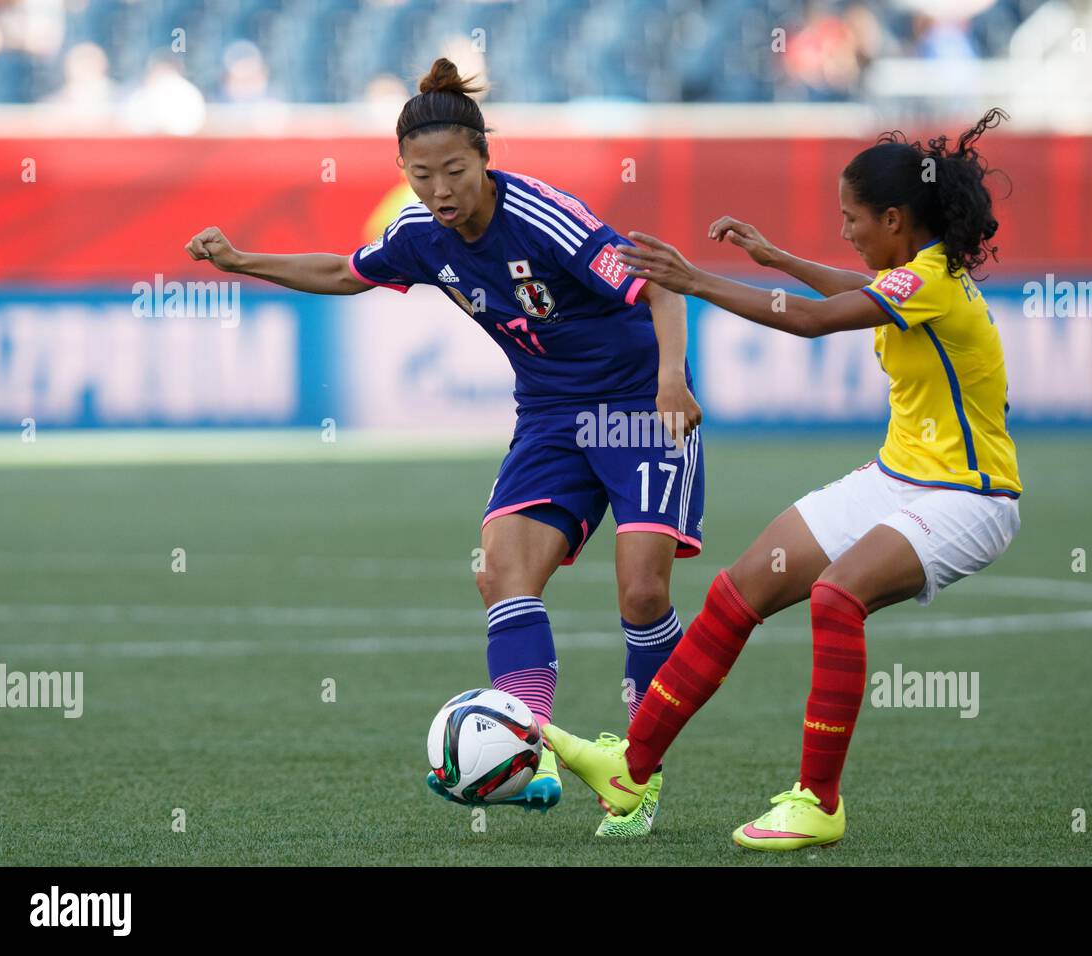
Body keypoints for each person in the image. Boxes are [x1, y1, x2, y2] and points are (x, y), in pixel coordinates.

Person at [184, 59, 704, 838]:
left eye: (454, 171)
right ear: (403, 173)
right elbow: (342, 269)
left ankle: (638, 771)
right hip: (550, 417)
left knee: (641, 594)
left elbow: (661, 282)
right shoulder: (420, 236)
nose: (440, 190)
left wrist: (670, 382)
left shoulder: (544, 216)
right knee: (501, 574)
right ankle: (528, 754)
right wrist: (239, 260)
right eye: (421, 176)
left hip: (638, 409)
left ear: (485, 159)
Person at [544, 109, 1021, 851]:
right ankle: (632, 765)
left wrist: (694, 279)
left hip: (968, 497)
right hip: (898, 479)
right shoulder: (920, 273)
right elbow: (855, 289)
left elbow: (814, 320)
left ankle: (818, 800)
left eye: (852, 218)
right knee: (738, 593)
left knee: (837, 598)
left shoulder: (929, 282)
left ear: (895, 218)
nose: (846, 231)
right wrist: (775, 258)